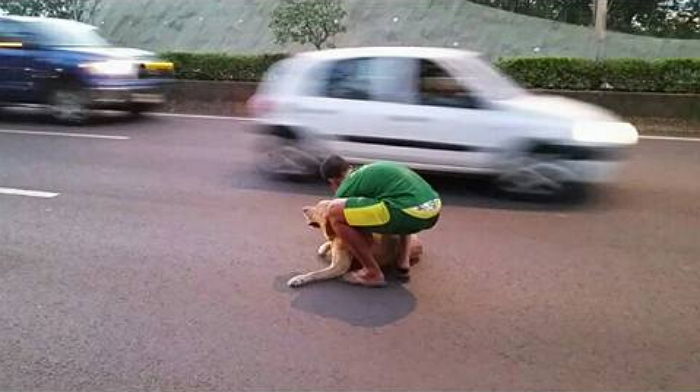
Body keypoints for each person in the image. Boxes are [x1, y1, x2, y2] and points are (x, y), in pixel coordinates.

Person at [320, 155, 441, 287]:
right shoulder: (368, 171)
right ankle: (403, 262)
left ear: (333, 181)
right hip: (433, 208)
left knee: (335, 213)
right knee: (394, 200)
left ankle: (372, 272)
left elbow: (339, 210)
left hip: (406, 212)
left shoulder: (346, 186)